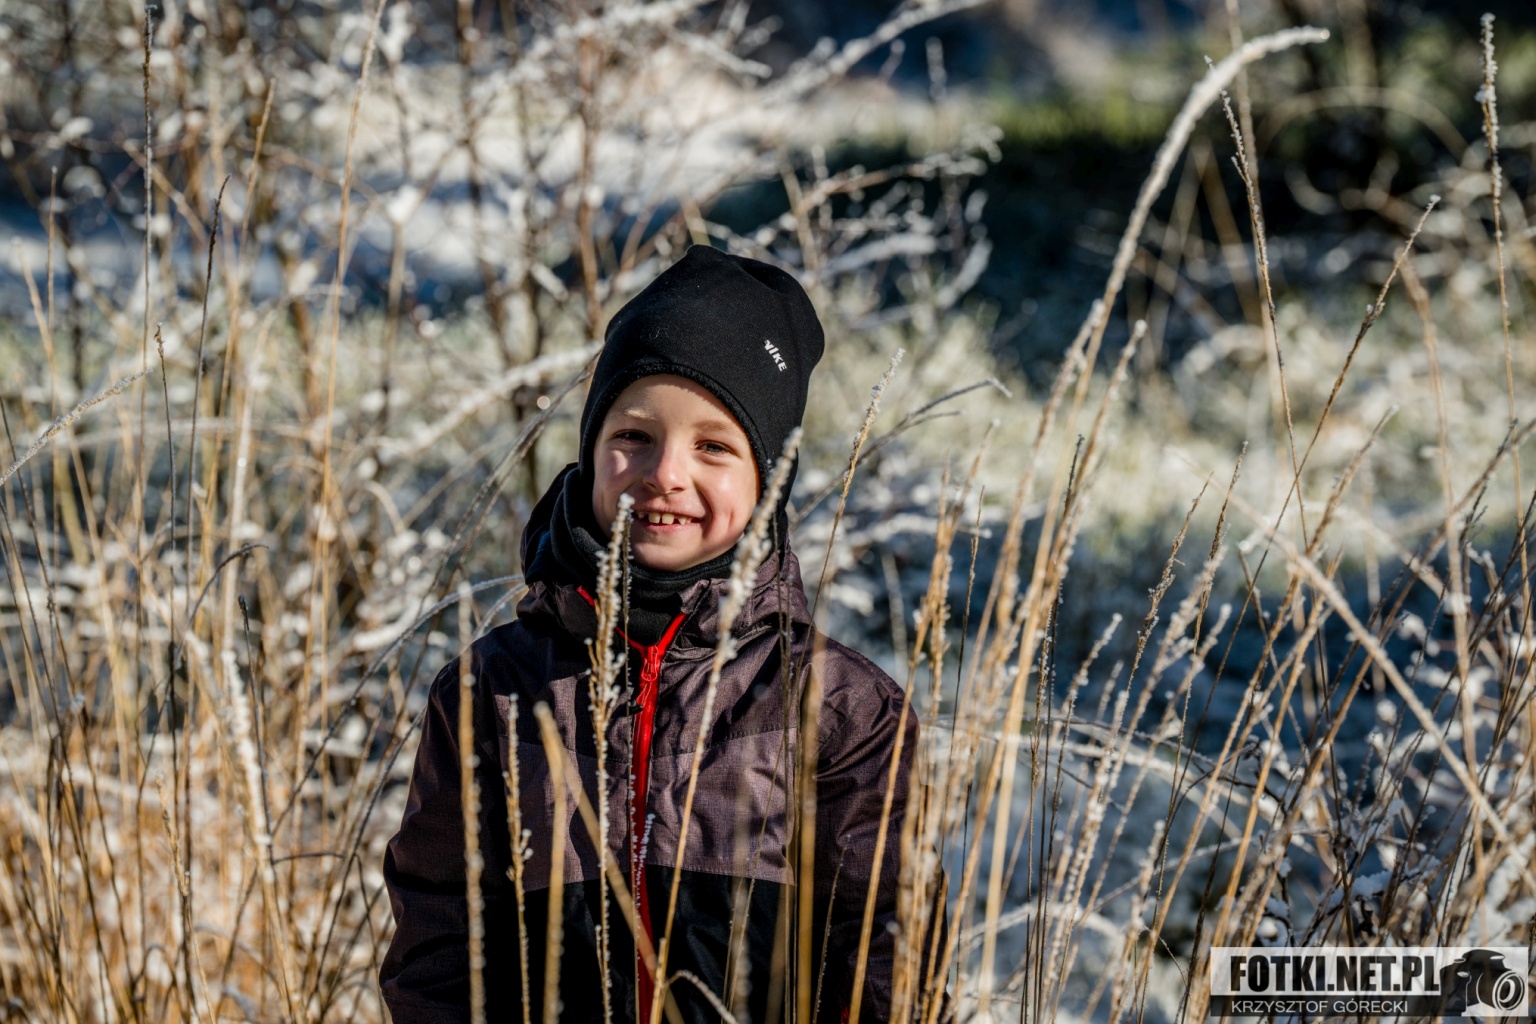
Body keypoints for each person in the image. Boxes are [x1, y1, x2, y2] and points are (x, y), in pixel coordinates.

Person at [379, 245, 922, 1024]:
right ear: (590, 450)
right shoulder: (492, 692)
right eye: (634, 435)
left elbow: (885, 966)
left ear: (769, 480)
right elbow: (438, 952)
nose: (665, 473)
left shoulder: (839, 711)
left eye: (713, 446)